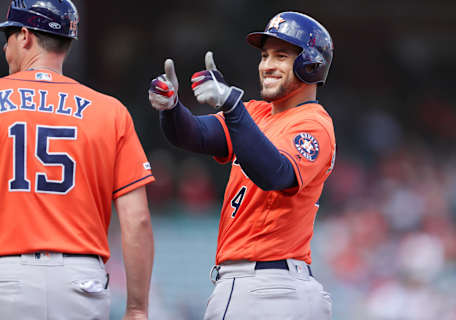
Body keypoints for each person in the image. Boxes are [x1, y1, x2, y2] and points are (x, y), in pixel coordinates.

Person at [149, 11, 335, 320]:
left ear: (310, 64)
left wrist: (232, 106)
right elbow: (194, 134)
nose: (267, 65)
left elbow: (275, 173)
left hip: (265, 289)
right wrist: (171, 107)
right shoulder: (256, 114)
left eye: (281, 56)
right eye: (264, 56)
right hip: (275, 289)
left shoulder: (313, 123)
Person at [0, 1, 155, 319]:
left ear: (26, 36)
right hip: (80, 282)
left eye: (9, 36)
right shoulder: (110, 111)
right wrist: (137, 308)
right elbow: (136, 219)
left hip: (6, 276)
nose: (5, 47)